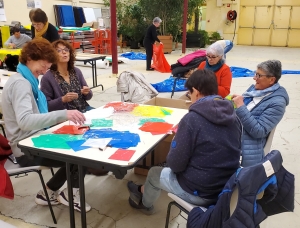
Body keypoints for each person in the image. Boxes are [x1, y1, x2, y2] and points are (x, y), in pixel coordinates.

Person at [127, 69, 242, 215]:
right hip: (226, 187)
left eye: (189, 93)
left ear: (196, 91)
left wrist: (176, 144)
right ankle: (143, 190)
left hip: (200, 191)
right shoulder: (234, 116)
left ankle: (145, 204)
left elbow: (176, 165)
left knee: (154, 173)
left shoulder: (192, 119)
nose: (190, 98)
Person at [1, 39, 91, 212]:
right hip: (25, 148)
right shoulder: (21, 84)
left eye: (47, 67)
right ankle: (70, 194)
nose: (43, 71)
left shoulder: (24, 79)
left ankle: (47, 192)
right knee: (81, 153)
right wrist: (63, 114)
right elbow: (25, 121)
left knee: (79, 142)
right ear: (29, 58)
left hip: (32, 139)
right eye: (42, 66)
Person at [232, 60, 289, 167]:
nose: (254, 78)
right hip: (234, 131)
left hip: (246, 145)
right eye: (255, 74)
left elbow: (259, 131)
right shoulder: (255, 89)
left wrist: (241, 106)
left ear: (271, 80)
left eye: (258, 75)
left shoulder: (277, 103)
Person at [41, 40, 93, 113]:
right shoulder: (47, 78)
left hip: (84, 109)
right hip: (66, 115)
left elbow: (89, 96)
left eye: (66, 50)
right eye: (59, 51)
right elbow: (46, 105)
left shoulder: (76, 71)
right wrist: (63, 99)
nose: (64, 52)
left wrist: (87, 92)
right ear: (52, 55)